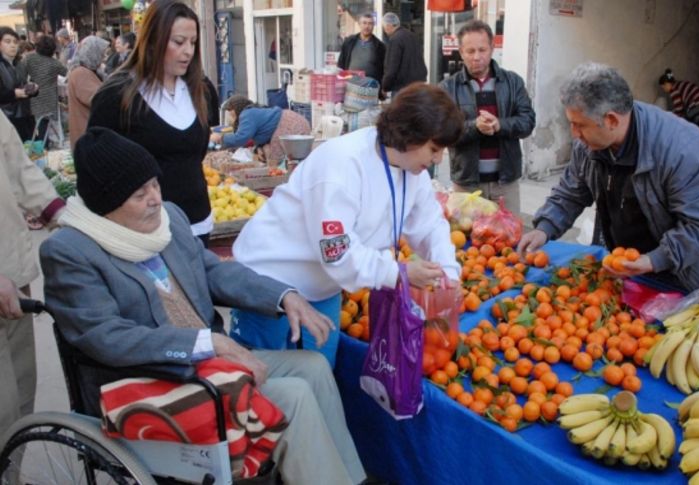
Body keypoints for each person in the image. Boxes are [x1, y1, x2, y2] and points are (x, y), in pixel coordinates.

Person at [40, 127, 367, 485]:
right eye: (139, 194)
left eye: (154, 184)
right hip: (147, 379)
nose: (154, 199)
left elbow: (213, 272)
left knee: (314, 368)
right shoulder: (70, 251)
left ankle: (349, 479)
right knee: (293, 396)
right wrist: (206, 344)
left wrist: (284, 295)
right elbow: (105, 336)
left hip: (209, 366)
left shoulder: (168, 220)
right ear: (107, 204)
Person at [230, 83, 463, 367]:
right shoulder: (341, 164)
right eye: (434, 149)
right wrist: (398, 272)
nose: (438, 159)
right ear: (409, 135)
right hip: (271, 283)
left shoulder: (413, 171)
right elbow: (337, 251)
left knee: (320, 377)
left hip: (324, 287)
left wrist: (448, 274)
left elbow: (429, 225)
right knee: (271, 388)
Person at [517, 62, 699, 294]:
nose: (574, 133)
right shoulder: (590, 144)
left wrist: (654, 260)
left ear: (611, 120)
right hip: (633, 257)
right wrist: (544, 228)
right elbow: (572, 191)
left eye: (579, 125)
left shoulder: (683, 149)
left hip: (688, 263)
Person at [89, 0, 215, 244]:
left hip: (198, 222)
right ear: (154, 40)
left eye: (193, 43)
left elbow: (197, 152)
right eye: (178, 42)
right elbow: (97, 165)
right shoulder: (117, 95)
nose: (188, 51)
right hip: (144, 230)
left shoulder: (201, 90)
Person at [0, 111, 65, 437]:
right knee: (3, 407)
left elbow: (20, 170)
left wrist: (63, 217)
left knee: (22, 403)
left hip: (13, 273)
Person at [439, 20, 536, 214]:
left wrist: (500, 125)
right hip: (466, 184)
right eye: (470, 51)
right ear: (461, 52)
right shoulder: (448, 88)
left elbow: (528, 122)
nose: (477, 57)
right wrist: (475, 127)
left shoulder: (513, 82)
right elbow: (443, 132)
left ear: (492, 48)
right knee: (464, 241)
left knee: (509, 240)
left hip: (505, 184)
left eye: (482, 50)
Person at [209, 94, 310, 163]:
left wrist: (220, 138)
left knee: (274, 160)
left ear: (236, 107)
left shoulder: (247, 114)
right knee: (273, 155)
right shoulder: (253, 111)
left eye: (230, 110)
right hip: (293, 120)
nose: (230, 114)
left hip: (289, 124)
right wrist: (258, 148)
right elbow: (262, 132)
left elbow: (241, 138)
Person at [17, 35, 67, 146]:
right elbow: (67, 74)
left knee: (39, 125)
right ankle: (46, 144)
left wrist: (28, 86)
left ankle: (42, 146)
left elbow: (21, 76)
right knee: (46, 124)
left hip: (34, 97)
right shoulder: (54, 63)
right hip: (50, 99)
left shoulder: (29, 58)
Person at [67, 36, 108, 151]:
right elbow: (97, 99)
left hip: (90, 133)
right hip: (86, 133)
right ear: (92, 52)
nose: (103, 58)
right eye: (101, 53)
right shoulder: (81, 73)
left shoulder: (87, 71)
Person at [0, 27, 36, 141]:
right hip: (7, 119)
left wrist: (33, 89)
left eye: (15, 42)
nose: (13, 45)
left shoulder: (19, 63)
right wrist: (15, 94)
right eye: (7, 41)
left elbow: (24, 85)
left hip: (25, 115)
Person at [381, 13, 427, 97]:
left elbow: (391, 67)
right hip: (418, 85)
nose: (385, 31)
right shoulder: (412, 36)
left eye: (384, 28)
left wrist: (384, 87)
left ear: (388, 26)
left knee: (401, 110)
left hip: (402, 88)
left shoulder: (395, 39)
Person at [336, 12, 386, 85]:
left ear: (373, 26)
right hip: (350, 85)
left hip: (370, 86)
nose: (367, 26)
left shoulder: (380, 46)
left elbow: (383, 69)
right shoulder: (349, 42)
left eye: (370, 23)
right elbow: (341, 63)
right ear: (359, 24)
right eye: (364, 23)